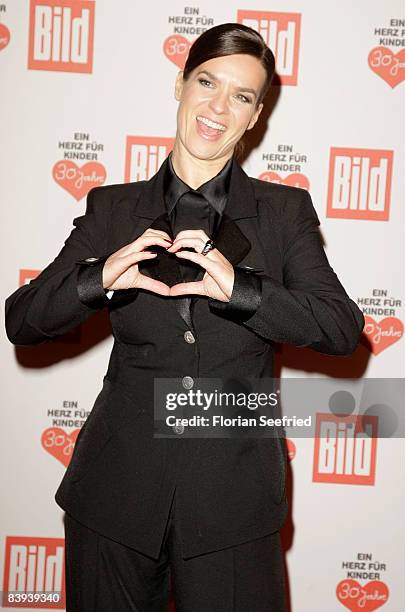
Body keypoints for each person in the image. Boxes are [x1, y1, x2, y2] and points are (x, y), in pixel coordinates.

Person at [5, 22, 364, 612]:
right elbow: (23, 321)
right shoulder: (113, 207)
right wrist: (97, 279)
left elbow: (342, 328)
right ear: (180, 84)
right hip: (114, 493)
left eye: (242, 96)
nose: (219, 107)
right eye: (207, 82)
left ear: (256, 116)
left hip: (234, 500)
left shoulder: (283, 213)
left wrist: (243, 289)